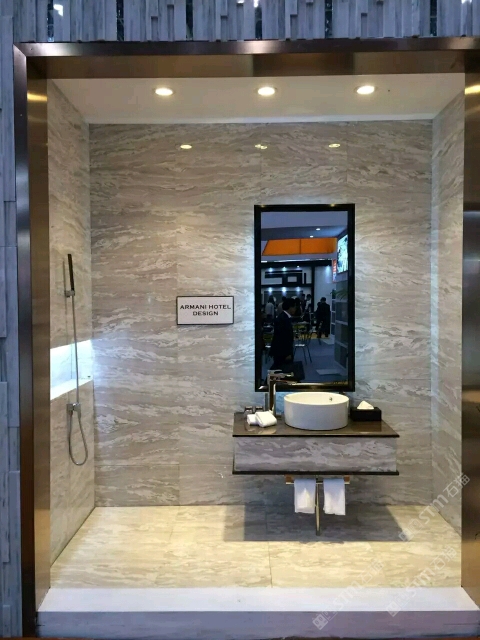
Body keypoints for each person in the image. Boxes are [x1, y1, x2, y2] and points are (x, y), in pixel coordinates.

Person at [270, 297, 296, 369]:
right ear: (290, 307)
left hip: (280, 350)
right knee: (282, 369)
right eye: (294, 307)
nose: (295, 309)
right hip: (282, 351)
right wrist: (288, 353)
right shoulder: (284, 319)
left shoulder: (283, 317)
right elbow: (283, 337)